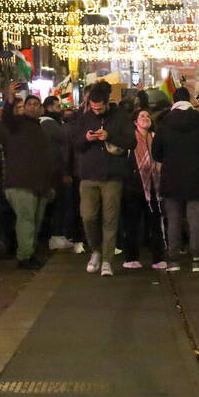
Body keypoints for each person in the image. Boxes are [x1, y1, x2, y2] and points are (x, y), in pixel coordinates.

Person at [73, 81, 136, 277]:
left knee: (110, 219)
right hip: (88, 174)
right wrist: (87, 138)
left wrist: (110, 136)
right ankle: (96, 251)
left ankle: (107, 260)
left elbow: (131, 142)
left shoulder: (120, 117)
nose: (97, 111)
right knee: (88, 216)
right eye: (93, 108)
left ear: (107, 103)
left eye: (100, 108)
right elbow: (75, 143)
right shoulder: (84, 118)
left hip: (112, 175)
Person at [152, 88, 199, 273]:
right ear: (189, 100)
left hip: (171, 178)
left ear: (174, 100)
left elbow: (156, 152)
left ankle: (174, 260)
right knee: (196, 221)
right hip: (197, 178)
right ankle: (196, 259)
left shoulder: (165, 123)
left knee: (173, 220)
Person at [0, 85, 55, 270]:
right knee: (26, 221)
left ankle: (29, 253)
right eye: (29, 104)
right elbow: (6, 118)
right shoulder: (17, 124)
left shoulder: (40, 130)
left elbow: (46, 160)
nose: (32, 107)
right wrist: (10, 97)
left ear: (41, 108)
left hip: (39, 184)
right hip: (21, 183)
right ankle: (24, 256)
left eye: (36, 104)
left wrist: (49, 185)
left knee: (35, 223)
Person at [126, 109, 166, 269]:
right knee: (132, 223)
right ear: (135, 122)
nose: (146, 118)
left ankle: (157, 258)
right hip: (133, 187)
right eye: (142, 116)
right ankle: (131, 257)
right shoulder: (130, 140)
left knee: (155, 223)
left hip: (154, 186)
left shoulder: (155, 137)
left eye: (148, 116)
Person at [40, 95, 74, 251]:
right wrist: (65, 171)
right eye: (57, 106)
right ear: (48, 107)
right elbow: (62, 150)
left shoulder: (47, 124)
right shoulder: (51, 126)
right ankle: (57, 236)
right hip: (56, 171)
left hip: (51, 170)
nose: (60, 109)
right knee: (60, 204)